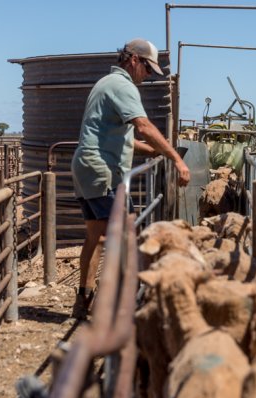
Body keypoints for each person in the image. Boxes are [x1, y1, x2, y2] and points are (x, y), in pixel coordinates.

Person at [71, 38, 191, 319]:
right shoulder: (123, 86)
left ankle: (84, 299)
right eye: (147, 68)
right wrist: (176, 158)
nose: (148, 76)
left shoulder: (105, 84)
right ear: (133, 60)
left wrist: (154, 151)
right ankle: (118, 303)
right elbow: (144, 126)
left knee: (95, 237)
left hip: (86, 166)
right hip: (101, 170)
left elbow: (117, 135)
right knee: (129, 234)